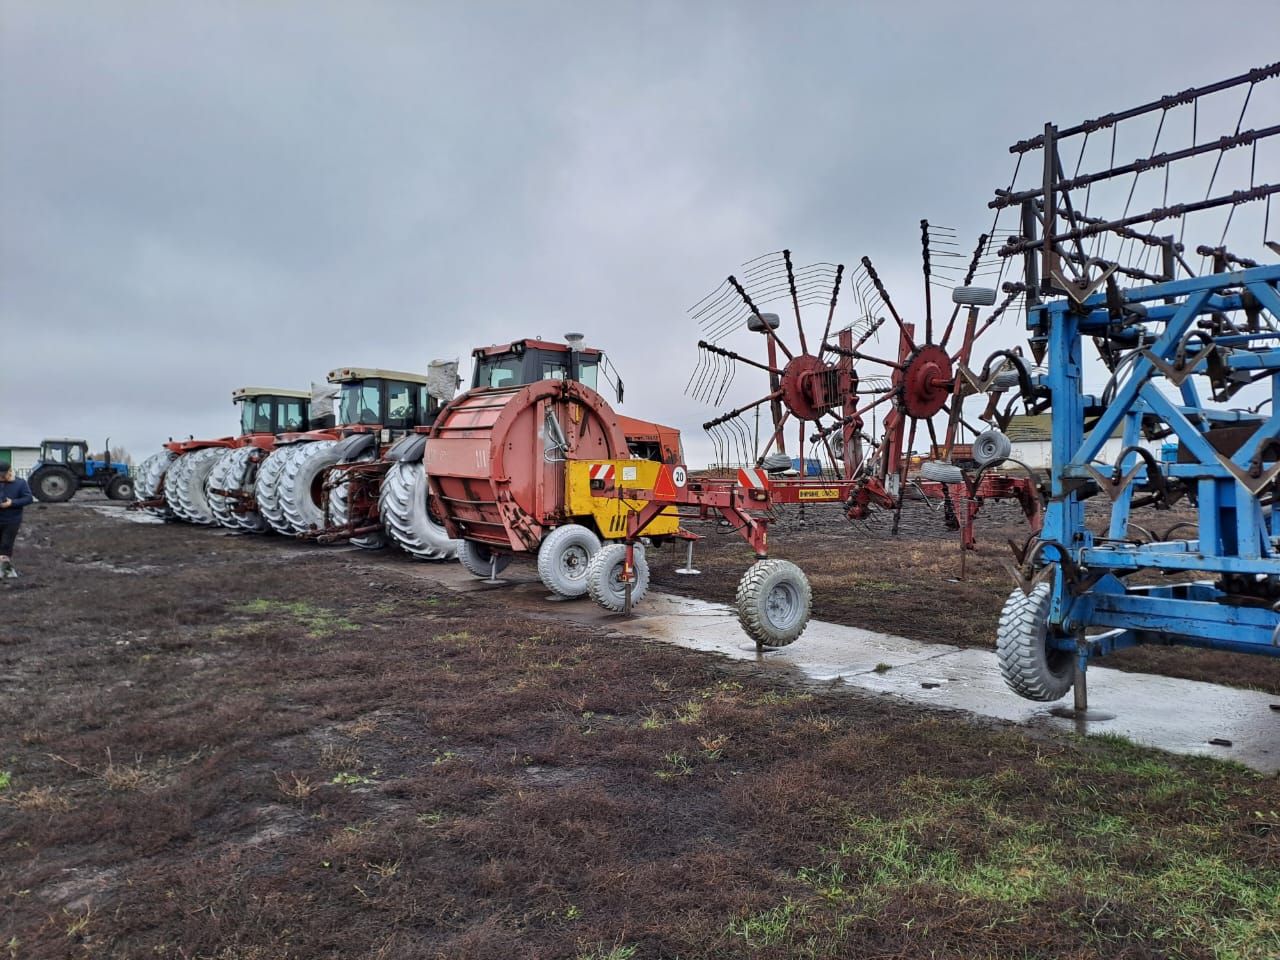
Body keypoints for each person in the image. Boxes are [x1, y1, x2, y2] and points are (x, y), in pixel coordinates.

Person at [0, 460, 34, 578]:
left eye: (6, 474)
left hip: (12, 520)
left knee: (6, 544)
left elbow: (28, 498)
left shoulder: (20, 483)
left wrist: (12, 503)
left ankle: (5, 570)